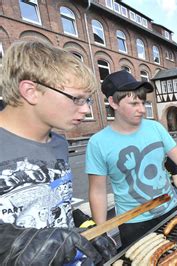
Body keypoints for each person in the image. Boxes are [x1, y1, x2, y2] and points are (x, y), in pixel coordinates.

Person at [0, 40, 116, 264]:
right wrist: (16, 244)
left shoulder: (60, 143)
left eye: (88, 100)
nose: (86, 109)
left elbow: (55, 205)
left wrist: (85, 226)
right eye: (76, 99)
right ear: (31, 91)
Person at [86, 70, 177, 250]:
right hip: (134, 222)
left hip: (171, 209)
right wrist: (101, 232)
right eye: (134, 103)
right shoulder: (98, 143)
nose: (142, 109)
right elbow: (97, 192)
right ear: (112, 102)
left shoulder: (155, 128)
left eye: (143, 103)